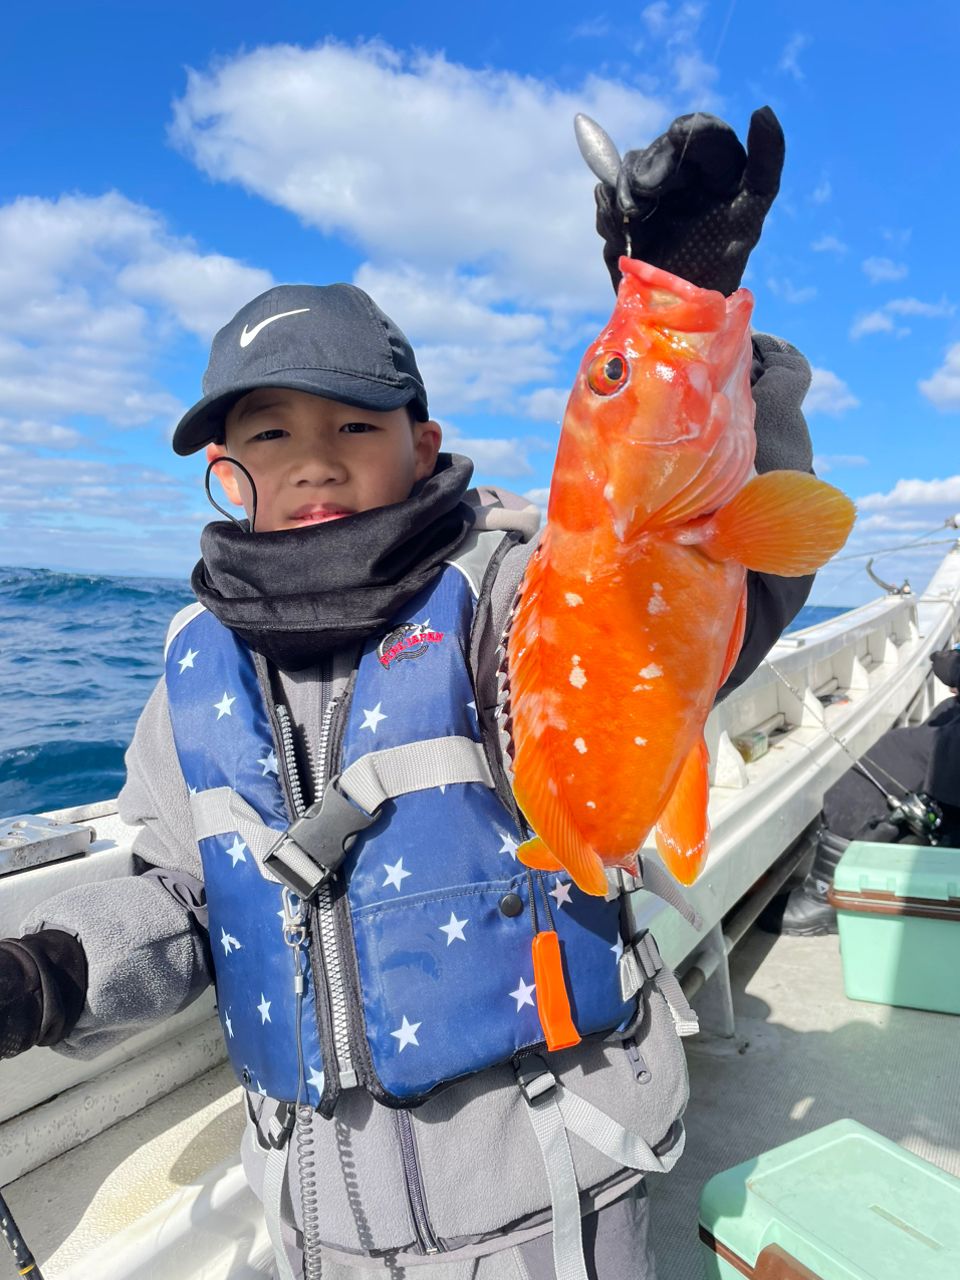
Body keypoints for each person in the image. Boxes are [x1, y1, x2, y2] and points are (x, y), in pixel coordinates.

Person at [0, 108, 815, 1279]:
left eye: (353, 424)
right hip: (321, 1231)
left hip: (558, 1198)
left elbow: (706, 596)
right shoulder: (197, 668)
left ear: (421, 442)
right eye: (269, 431)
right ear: (227, 472)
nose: (314, 458)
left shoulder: (504, 595)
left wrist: (690, 313)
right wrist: (46, 972)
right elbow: (181, 891)